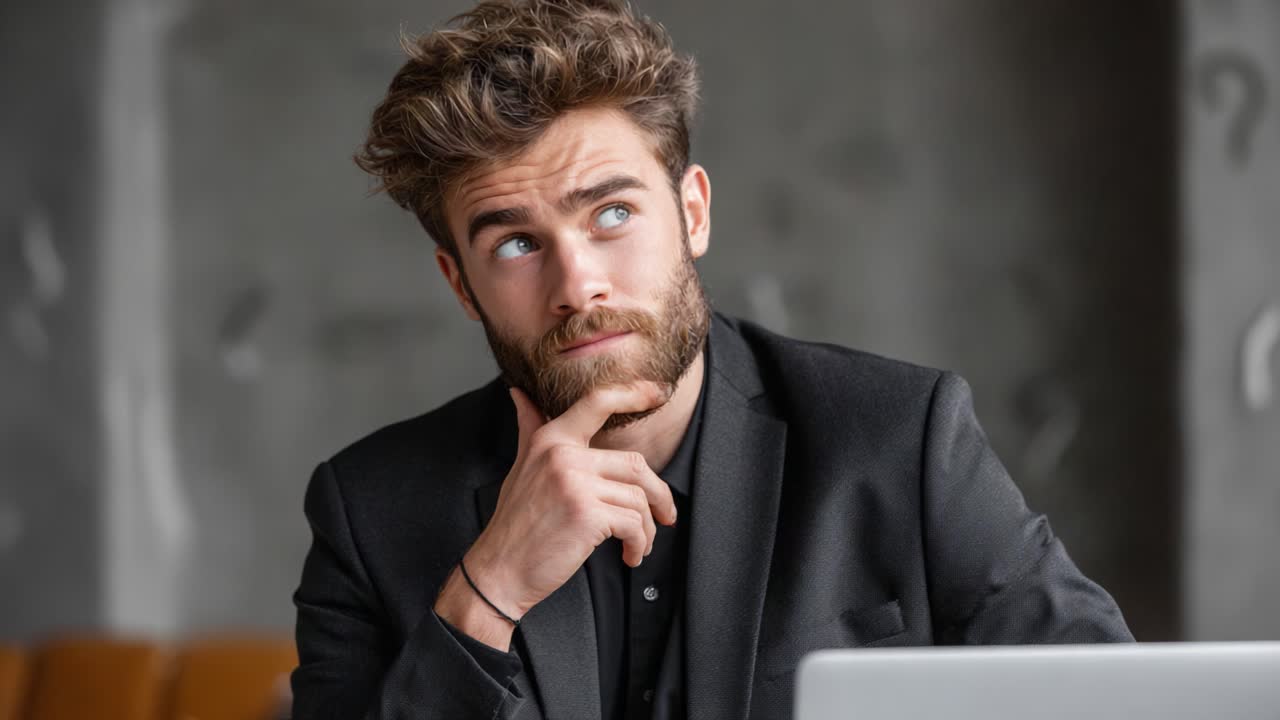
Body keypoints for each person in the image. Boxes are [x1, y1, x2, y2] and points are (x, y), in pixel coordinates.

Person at [289, 1, 1133, 718]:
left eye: (612, 214)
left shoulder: (899, 438)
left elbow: (1115, 701)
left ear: (692, 213)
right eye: (515, 243)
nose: (578, 285)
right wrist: (490, 590)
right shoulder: (369, 510)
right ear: (461, 284)